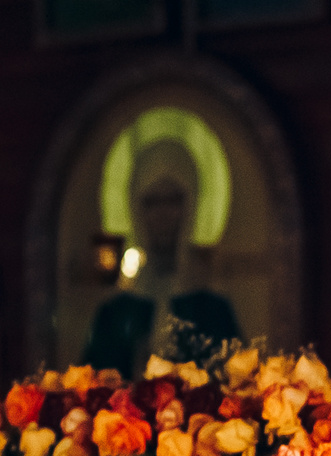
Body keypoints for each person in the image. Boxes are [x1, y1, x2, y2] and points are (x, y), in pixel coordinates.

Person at [80, 141, 238, 377]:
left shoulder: (214, 311)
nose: (163, 214)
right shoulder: (113, 315)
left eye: (173, 200)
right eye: (152, 202)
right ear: (136, 209)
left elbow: (232, 380)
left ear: (190, 205)